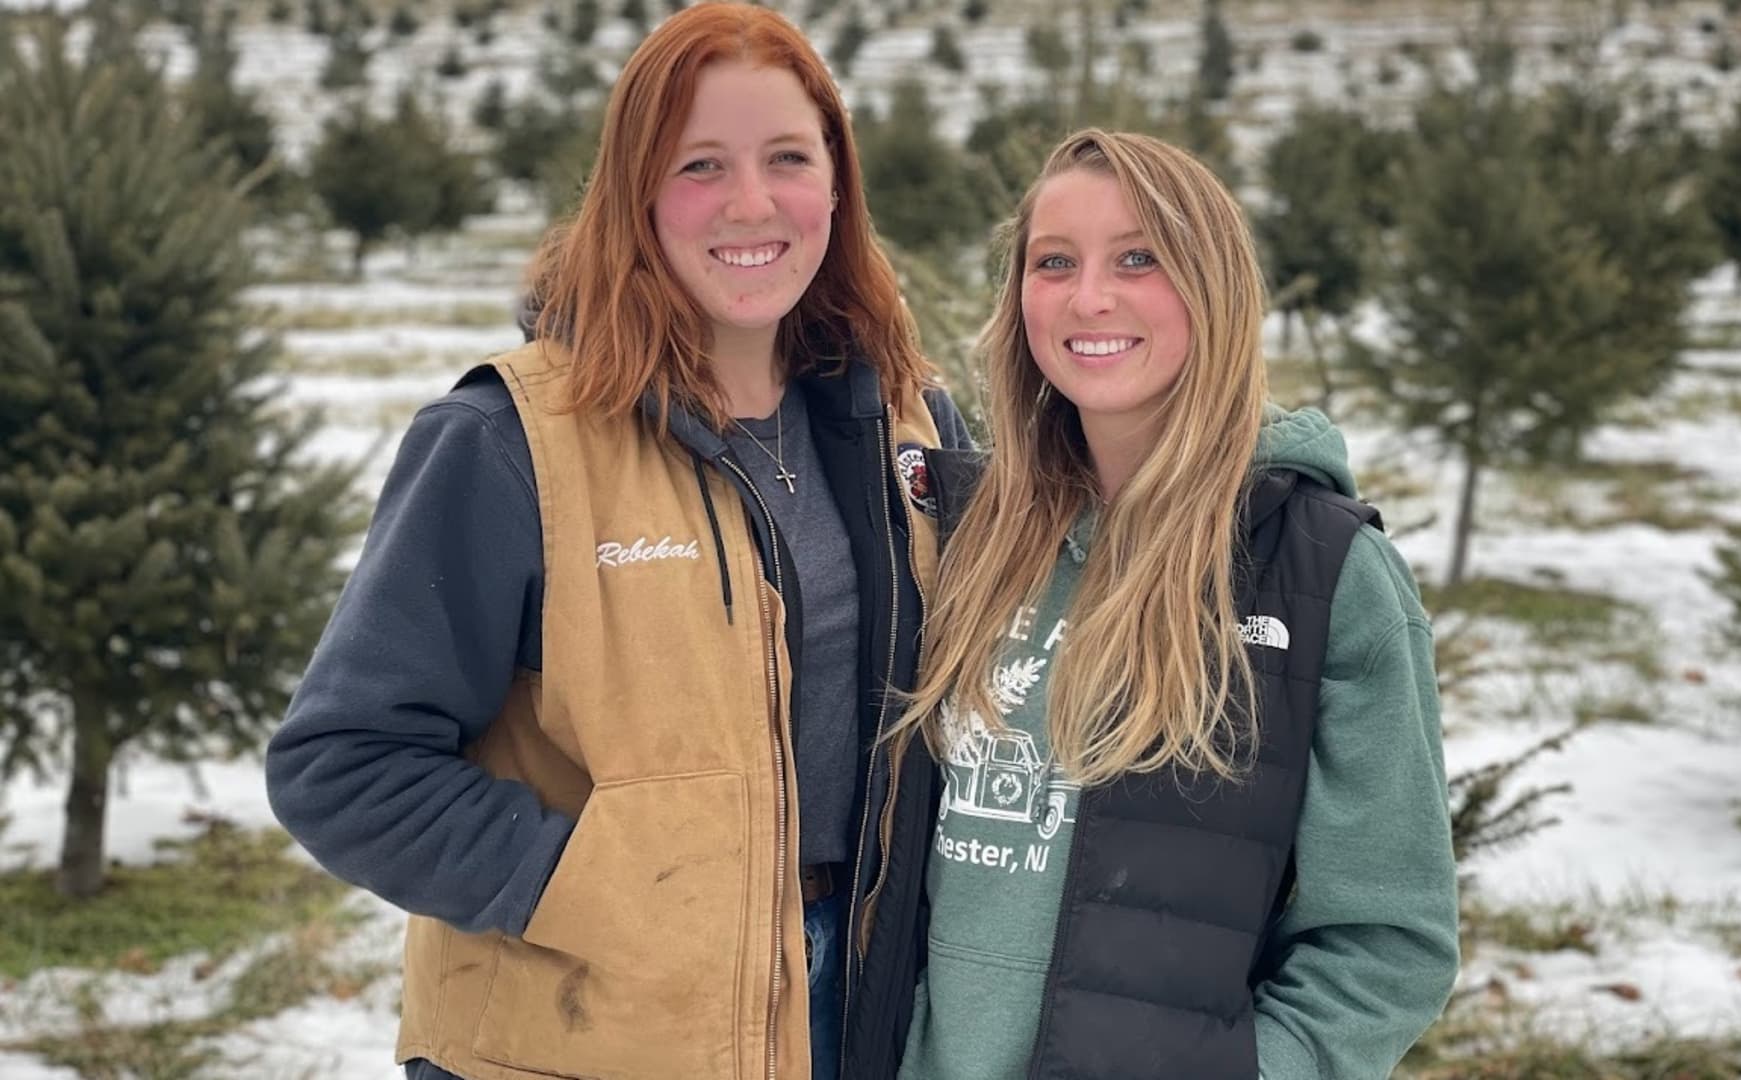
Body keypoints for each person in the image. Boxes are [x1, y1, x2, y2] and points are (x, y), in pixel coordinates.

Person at [263, 5, 969, 1079]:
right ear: (636, 193)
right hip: (592, 1025)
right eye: (700, 165)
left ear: (836, 183)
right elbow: (342, 763)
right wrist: (593, 890)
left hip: (857, 1008)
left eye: (788, 157)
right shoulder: (507, 445)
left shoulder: (907, 424)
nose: (751, 203)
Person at [894, 130, 1459, 1080]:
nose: (1089, 298)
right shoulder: (969, 537)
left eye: (1139, 258)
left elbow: (1388, 943)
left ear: (1215, 285)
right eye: (1054, 262)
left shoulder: (1322, 573)